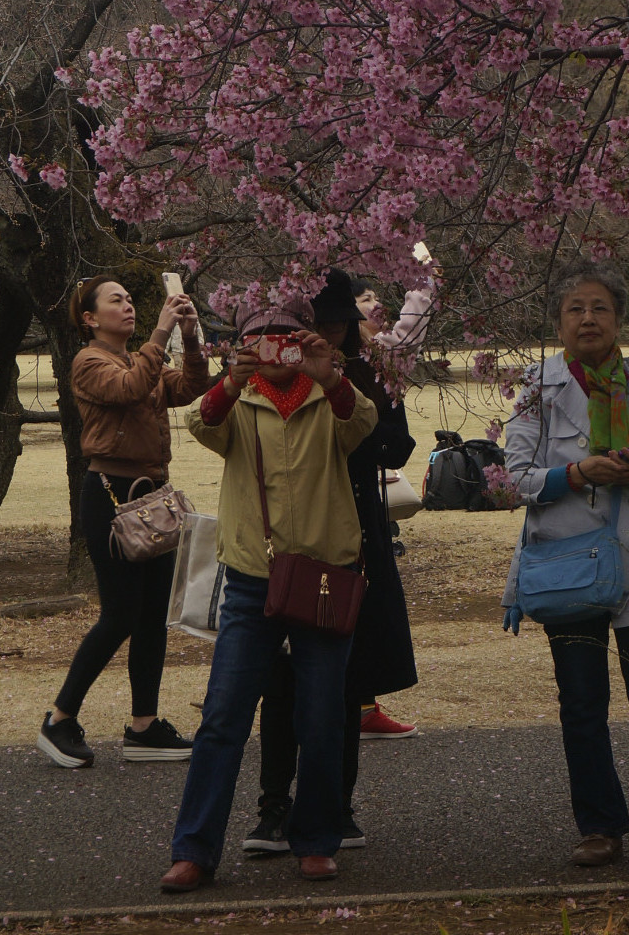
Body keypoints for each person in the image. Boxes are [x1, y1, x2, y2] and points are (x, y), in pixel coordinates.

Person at [161, 293, 378, 892]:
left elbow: (362, 423)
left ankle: (316, 839)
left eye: (287, 334)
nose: (274, 345)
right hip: (252, 580)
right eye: (260, 336)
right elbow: (200, 424)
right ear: (244, 346)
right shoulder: (241, 399)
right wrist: (231, 382)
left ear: (308, 338)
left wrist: (327, 374)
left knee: (321, 715)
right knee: (224, 716)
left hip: (324, 577)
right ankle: (195, 850)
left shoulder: (327, 394)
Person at [503, 263, 629, 876]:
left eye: (600, 308)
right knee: (582, 704)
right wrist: (578, 474)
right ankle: (599, 828)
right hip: (567, 565)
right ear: (559, 322)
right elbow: (514, 477)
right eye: (575, 309)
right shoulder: (537, 386)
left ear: (618, 320)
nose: (588, 319)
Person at [245, 269, 419, 859]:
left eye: (342, 319)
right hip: (282, 536)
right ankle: (273, 805)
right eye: (321, 319)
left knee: (345, 679)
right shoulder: (271, 372)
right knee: (281, 677)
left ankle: (337, 805)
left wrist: (343, 397)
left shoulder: (363, 372)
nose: (333, 329)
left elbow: (395, 444)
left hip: (352, 534)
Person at [38, 275, 210, 769]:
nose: (129, 306)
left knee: (154, 614)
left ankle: (144, 727)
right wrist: (160, 335)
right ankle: (59, 719)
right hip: (111, 498)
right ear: (91, 318)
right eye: (117, 301)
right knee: (120, 615)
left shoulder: (142, 360)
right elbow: (131, 389)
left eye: (132, 300)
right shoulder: (88, 361)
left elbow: (190, 386)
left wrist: (191, 338)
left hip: (151, 496)